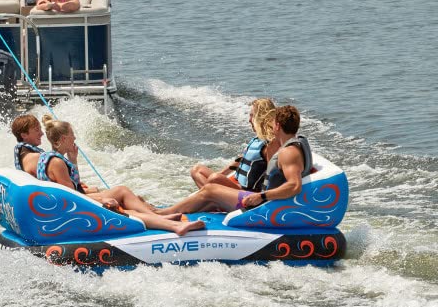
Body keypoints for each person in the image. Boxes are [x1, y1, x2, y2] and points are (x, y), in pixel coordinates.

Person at [36, 114, 205, 236]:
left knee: (122, 190)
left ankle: (158, 216)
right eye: (72, 135)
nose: (74, 138)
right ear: (64, 139)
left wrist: (73, 160)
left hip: (70, 205)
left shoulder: (50, 157)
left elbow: (74, 186)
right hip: (71, 212)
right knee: (119, 208)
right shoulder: (57, 163)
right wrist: (102, 200)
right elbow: (72, 197)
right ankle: (173, 226)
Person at [159, 105, 312, 215]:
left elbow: (294, 186)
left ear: (277, 126)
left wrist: (261, 196)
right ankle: (174, 213)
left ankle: (165, 213)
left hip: (261, 206)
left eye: (272, 124)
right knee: (210, 194)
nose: (270, 127)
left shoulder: (288, 152)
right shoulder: (293, 145)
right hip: (263, 201)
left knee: (210, 189)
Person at [190, 98, 277, 192]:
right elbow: (242, 159)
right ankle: (211, 195)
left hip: (248, 192)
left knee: (215, 178)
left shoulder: (270, 144)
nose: (249, 120)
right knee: (197, 170)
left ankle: (211, 195)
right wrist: (222, 173)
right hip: (238, 185)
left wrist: (263, 196)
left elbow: (272, 175)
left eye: (252, 116)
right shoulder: (257, 140)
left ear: (261, 118)